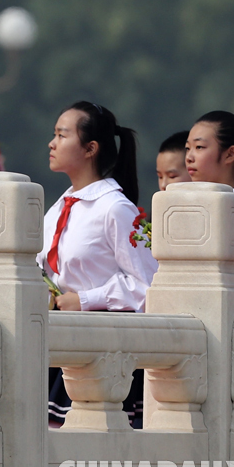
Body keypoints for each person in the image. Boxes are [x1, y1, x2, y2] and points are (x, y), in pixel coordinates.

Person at [37, 101, 157, 428]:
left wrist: (86, 300)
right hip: (59, 346)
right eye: (54, 135)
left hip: (100, 351)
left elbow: (147, 287)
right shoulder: (59, 206)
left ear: (90, 148)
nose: (52, 143)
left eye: (62, 135)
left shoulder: (116, 209)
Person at [185, 110, 234, 196]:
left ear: (230, 154)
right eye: (187, 148)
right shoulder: (183, 204)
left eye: (199, 147)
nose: (188, 158)